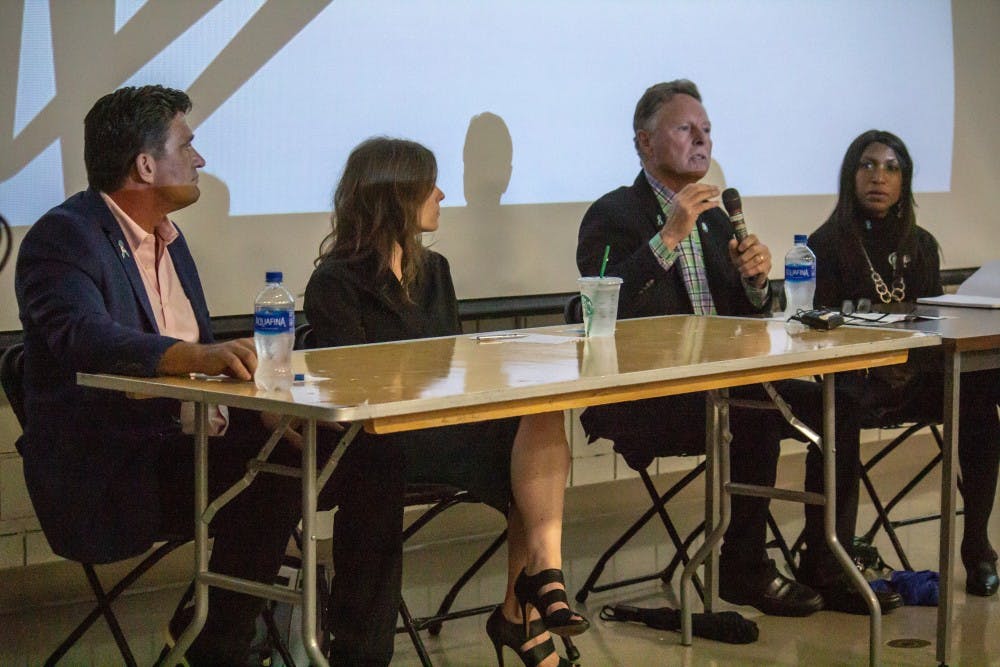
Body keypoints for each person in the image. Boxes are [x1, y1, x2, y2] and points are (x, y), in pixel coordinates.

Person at [576, 80, 901, 616]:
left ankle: (827, 558)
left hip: (726, 383)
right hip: (648, 392)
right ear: (645, 142)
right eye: (686, 129)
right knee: (756, 409)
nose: (702, 140)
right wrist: (669, 235)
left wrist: (756, 283)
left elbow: (744, 323)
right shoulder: (613, 214)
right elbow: (605, 301)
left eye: (707, 131)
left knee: (837, 401)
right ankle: (743, 566)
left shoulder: (716, 219)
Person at [13, 85, 304, 665]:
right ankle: (222, 638)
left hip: (185, 446)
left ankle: (234, 628)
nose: (200, 160)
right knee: (285, 464)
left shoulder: (170, 240)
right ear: (145, 165)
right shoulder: (64, 236)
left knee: (313, 447)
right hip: (114, 470)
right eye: (187, 145)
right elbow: (82, 337)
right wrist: (196, 356)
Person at [303, 137, 588, 667]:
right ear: (393, 195)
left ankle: (537, 582)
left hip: (437, 425)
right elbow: (354, 386)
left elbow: (452, 368)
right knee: (385, 471)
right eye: (427, 184)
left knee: (542, 409)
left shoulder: (436, 272)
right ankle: (523, 609)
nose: (441, 194)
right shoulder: (335, 281)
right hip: (378, 438)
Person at [809, 129, 1000, 597]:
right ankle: (828, 557)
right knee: (838, 408)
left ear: (905, 181)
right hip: (857, 382)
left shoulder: (922, 244)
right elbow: (816, 332)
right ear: (851, 175)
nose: (879, 177)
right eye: (868, 165)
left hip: (915, 377)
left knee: (978, 396)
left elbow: (931, 322)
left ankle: (976, 546)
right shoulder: (825, 243)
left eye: (892, 168)